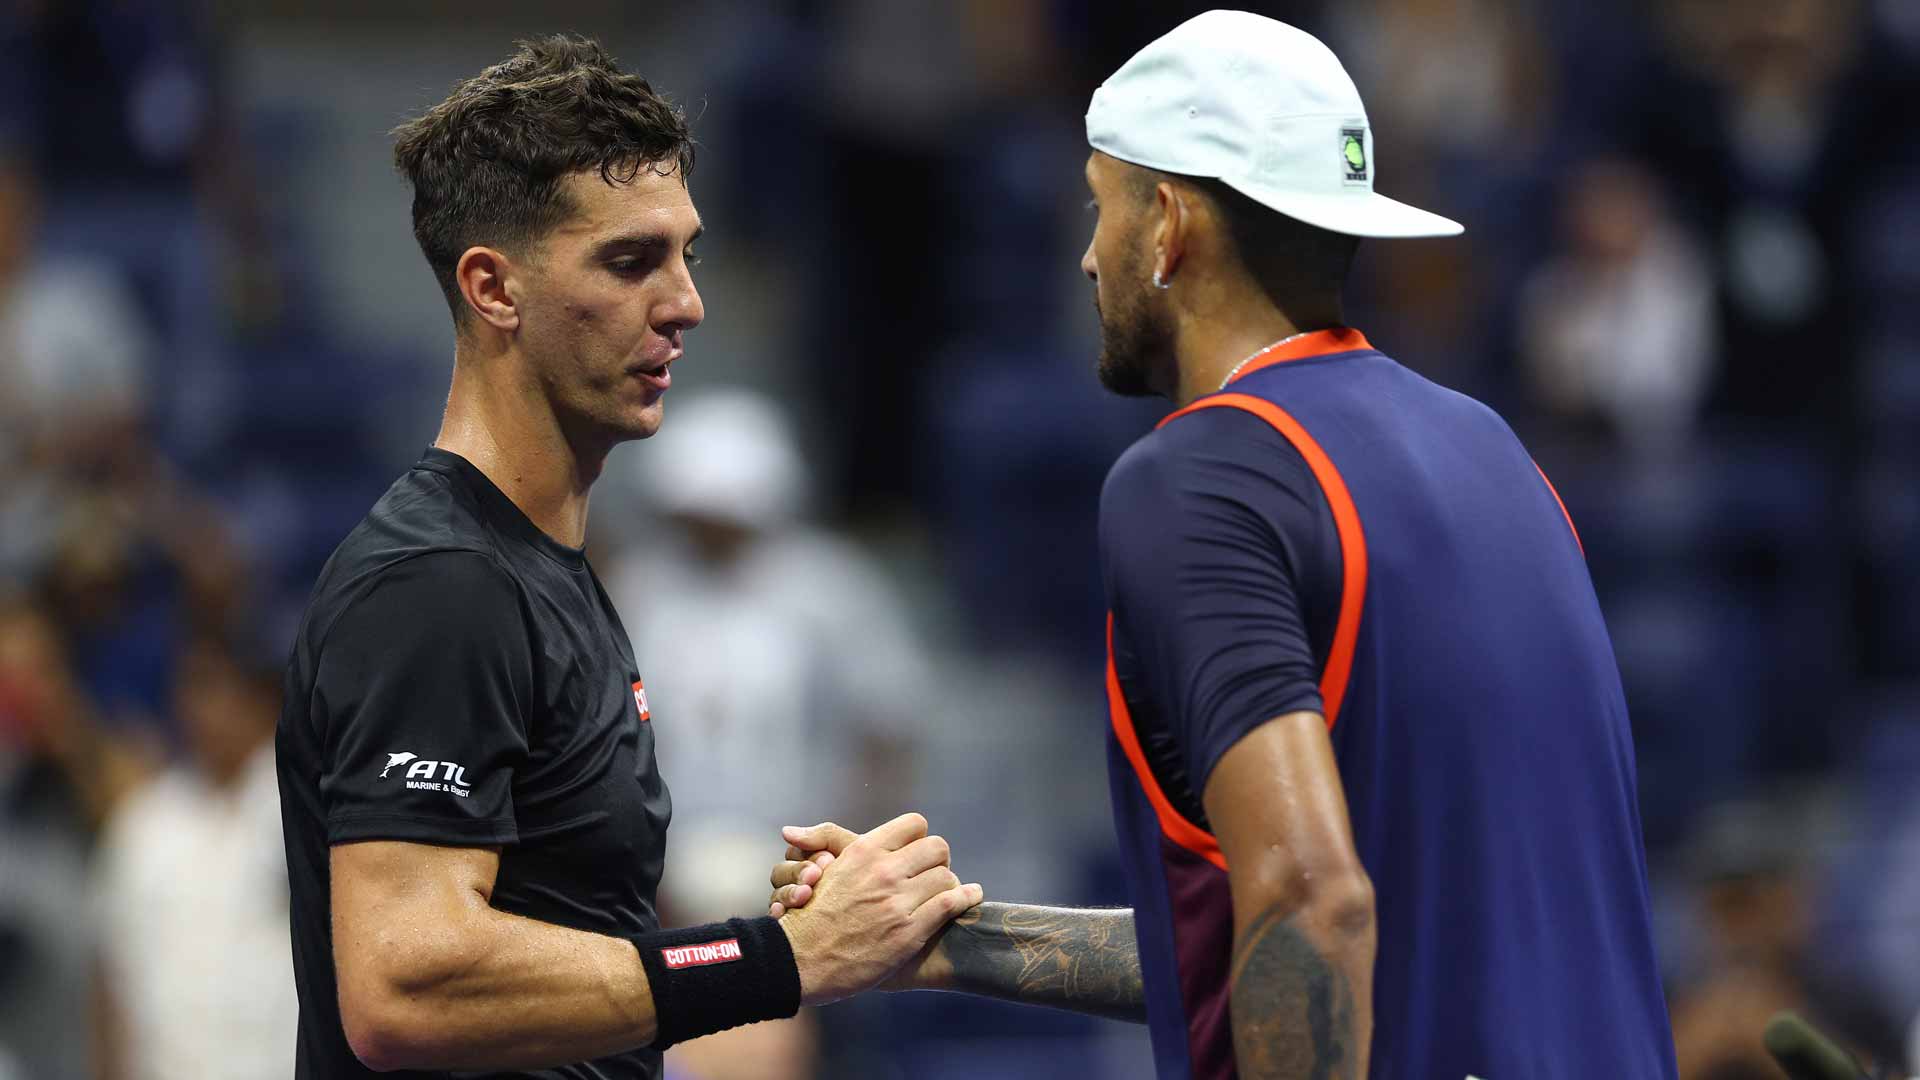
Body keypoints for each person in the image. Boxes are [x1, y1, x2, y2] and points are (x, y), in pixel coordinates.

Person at [772, 12, 1678, 1079]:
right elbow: (1291, 941)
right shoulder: (1495, 452)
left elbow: (1311, 901)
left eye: (1098, 207)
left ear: (1166, 225)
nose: (1084, 257)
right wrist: (948, 945)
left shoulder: (1202, 475)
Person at [274, 36, 979, 1080]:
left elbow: (559, 938)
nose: (687, 302)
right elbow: (403, 985)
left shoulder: (550, 576)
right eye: (631, 260)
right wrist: (775, 957)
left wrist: (795, 928)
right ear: (494, 289)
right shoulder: (441, 583)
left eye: (688, 254)